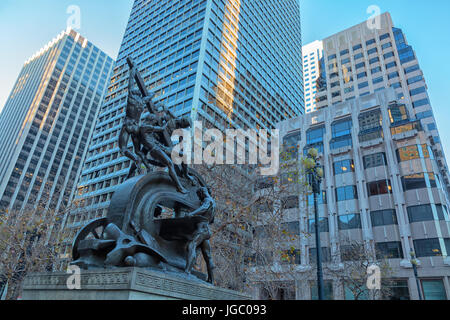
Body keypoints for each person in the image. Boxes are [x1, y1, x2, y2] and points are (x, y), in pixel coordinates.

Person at [118, 64, 155, 174]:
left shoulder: (131, 98)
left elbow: (131, 83)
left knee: (123, 149)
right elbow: (151, 95)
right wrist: (147, 94)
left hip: (128, 125)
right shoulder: (142, 102)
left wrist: (132, 70)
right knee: (138, 150)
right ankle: (148, 167)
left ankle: (136, 160)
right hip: (136, 127)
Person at [184, 187, 216, 283]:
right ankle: (211, 280)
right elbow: (212, 220)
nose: (199, 199)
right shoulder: (214, 203)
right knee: (207, 255)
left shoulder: (208, 200)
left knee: (191, 245)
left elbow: (204, 208)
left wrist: (191, 214)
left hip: (201, 229)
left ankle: (187, 272)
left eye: (199, 196)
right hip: (206, 230)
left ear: (202, 193)